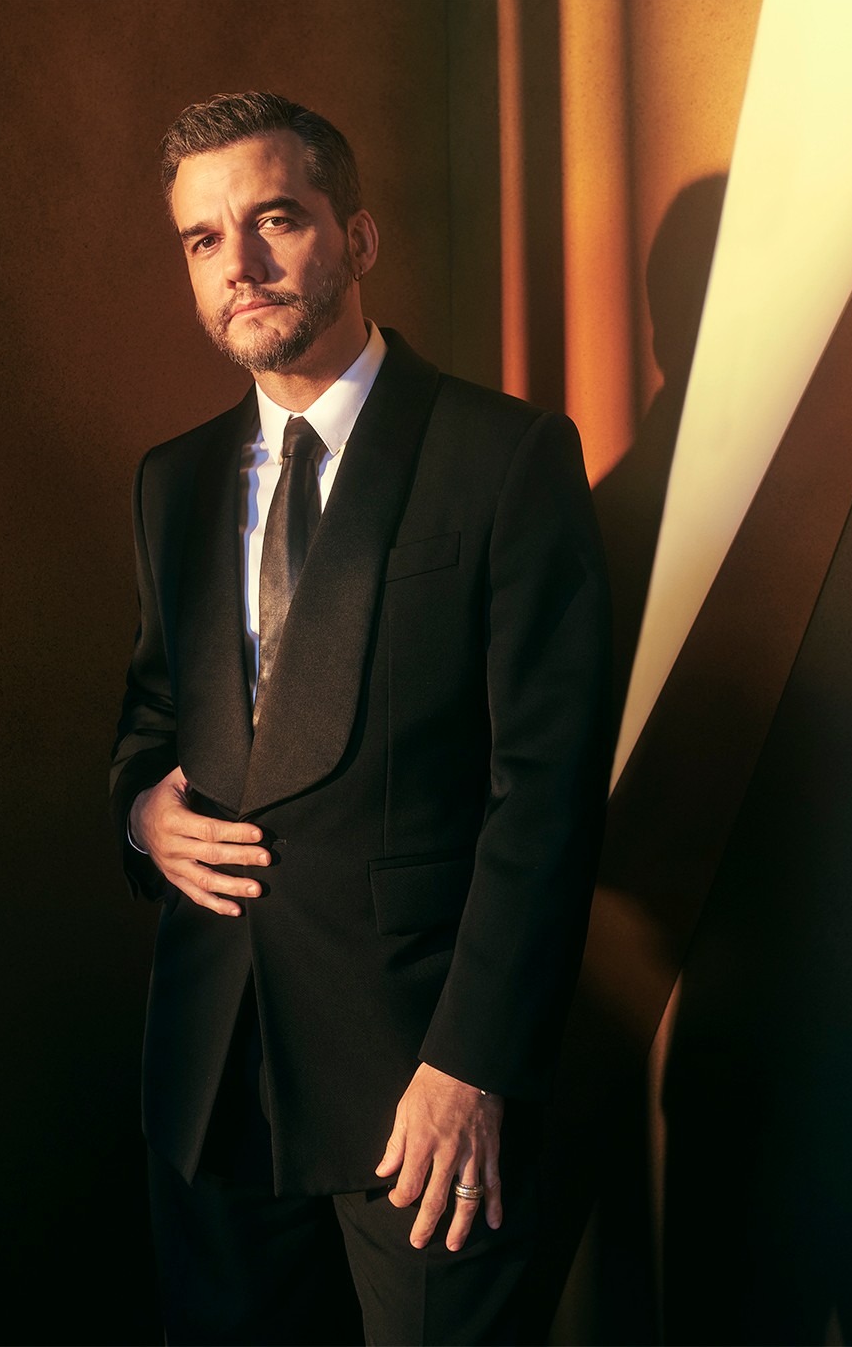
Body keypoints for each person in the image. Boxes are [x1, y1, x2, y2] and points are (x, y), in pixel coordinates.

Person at [110, 91, 612, 1347]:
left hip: (423, 1093)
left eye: (276, 219)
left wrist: (474, 1063)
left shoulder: (506, 456)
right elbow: (154, 714)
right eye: (204, 239)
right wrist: (141, 814)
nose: (241, 264)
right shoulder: (172, 483)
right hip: (213, 1084)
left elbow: (546, 793)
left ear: (359, 236)